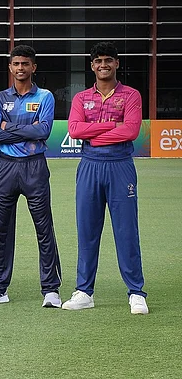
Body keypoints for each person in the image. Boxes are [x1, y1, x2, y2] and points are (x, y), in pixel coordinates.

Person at [62, 42, 148, 314]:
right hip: (89, 166)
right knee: (87, 230)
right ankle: (84, 291)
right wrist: (112, 125)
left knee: (126, 230)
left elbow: (131, 131)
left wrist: (95, 134)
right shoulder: (81, 98)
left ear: (117, 63)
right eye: (98, 60)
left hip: (120, 165)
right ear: (92, 65)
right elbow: (75, 130)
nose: (103, 65)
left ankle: (136, 292)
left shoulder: (131, 95)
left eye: (108, 60)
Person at [0, 44, 62, 308]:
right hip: (6, 167)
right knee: (0, 229)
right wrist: (26, 127)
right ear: (10, 67)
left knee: (43, 228)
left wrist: (8, 126)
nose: (20, 68)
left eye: (25, 64)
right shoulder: (0, 97)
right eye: (16, 64)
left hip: (34, 166)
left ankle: (51, 289)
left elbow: (43, 131)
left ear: (33, 67)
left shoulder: (45, 96)